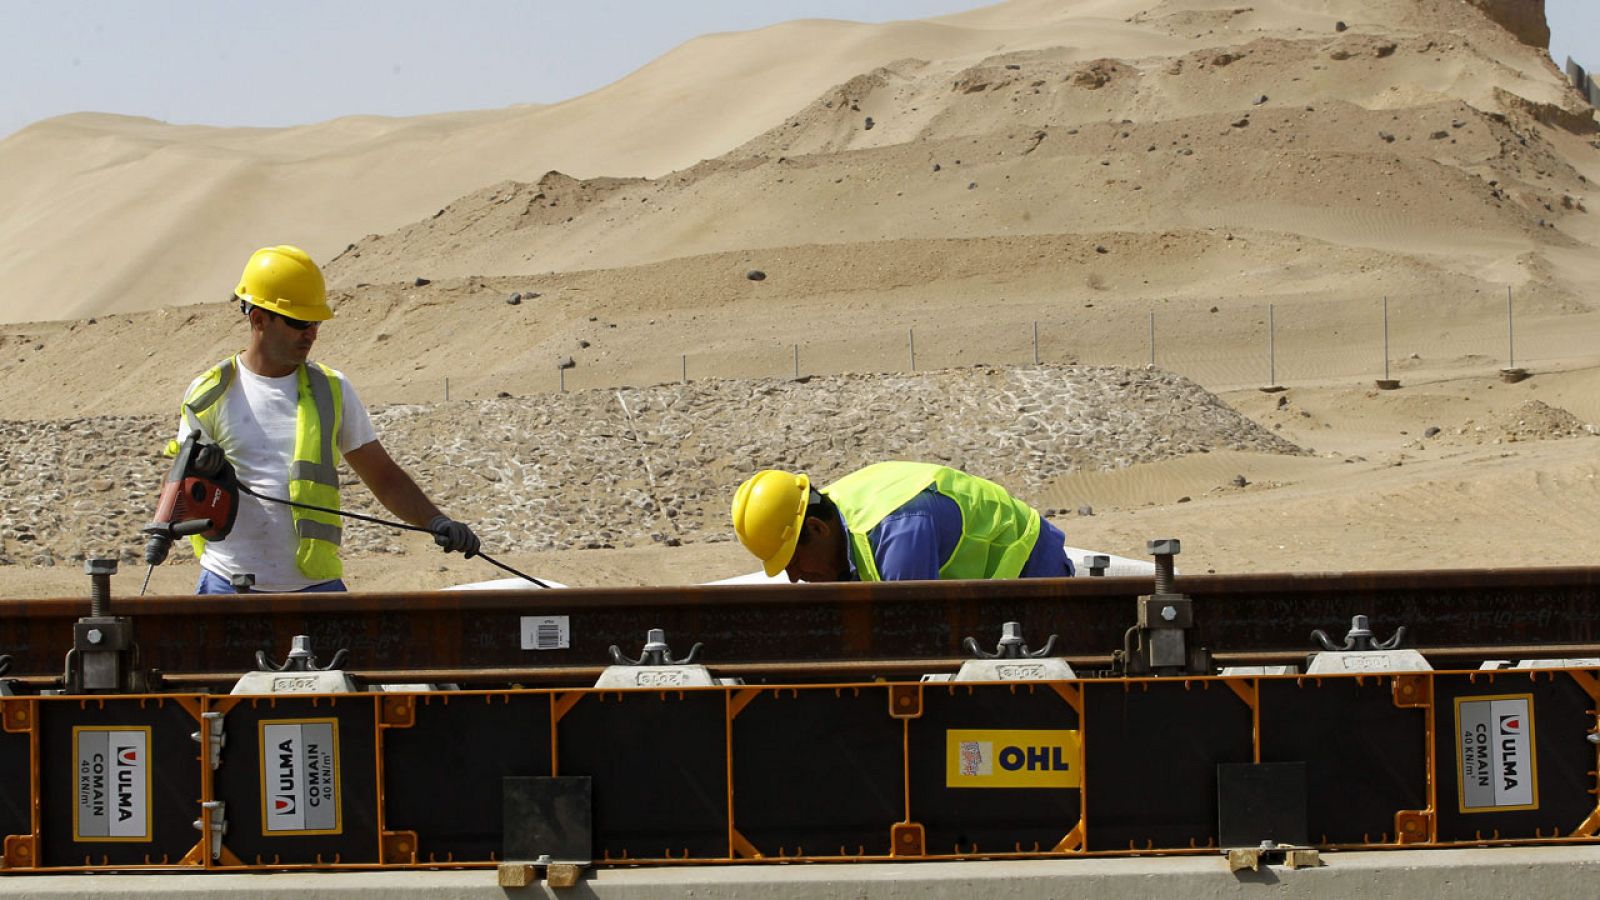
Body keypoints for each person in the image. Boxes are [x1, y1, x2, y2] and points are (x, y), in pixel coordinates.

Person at [172, 244, 479, 593]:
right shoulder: (210, 392)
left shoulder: (332, 389)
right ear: (258, 319)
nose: (312, 333)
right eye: (299, 321)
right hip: (228, 584)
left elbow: (383, 475)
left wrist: (435, 520)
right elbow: (181, 498)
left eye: (316, 321)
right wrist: (203, 472)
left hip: (316, 588)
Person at [731, 461, 1075, 583]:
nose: (793, 578)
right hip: (986, 594)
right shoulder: (832, 513)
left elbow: (913, 652)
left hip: (1029, 567)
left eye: (791, 561)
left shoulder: (898, 533)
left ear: (817, 529)